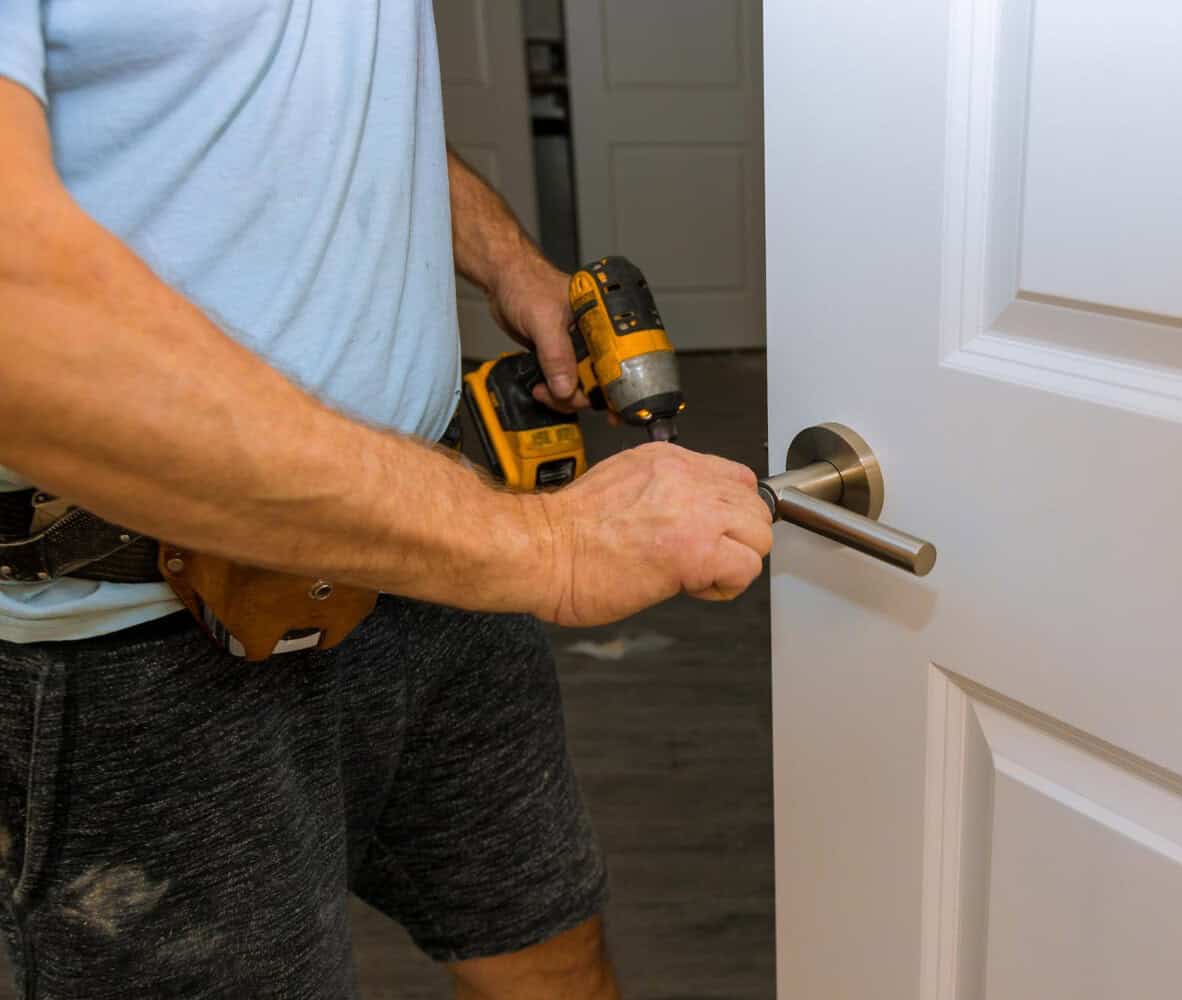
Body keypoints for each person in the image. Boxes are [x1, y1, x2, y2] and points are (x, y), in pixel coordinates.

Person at [0, 3, 772, 997]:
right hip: (144, 641)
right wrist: (547, 550)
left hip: (430, 546)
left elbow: (331, 114)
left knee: (543, 943)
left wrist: (510, 263)